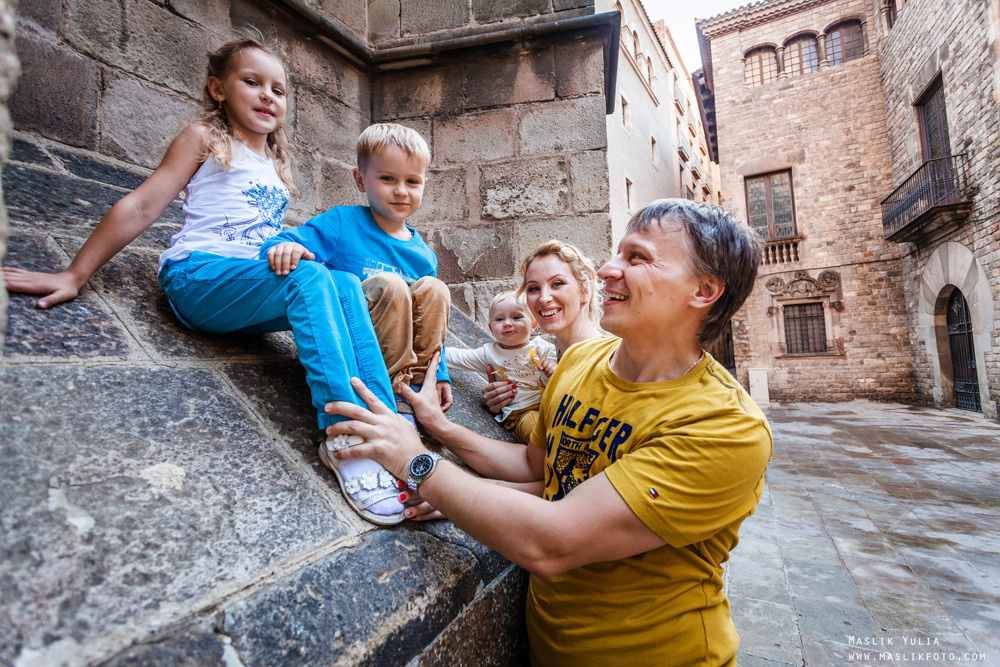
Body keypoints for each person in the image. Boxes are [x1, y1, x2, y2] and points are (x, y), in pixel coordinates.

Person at [324, 199, 773, 665]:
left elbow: (552, 541)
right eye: (617, 253)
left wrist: (417, 462)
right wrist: (440, 429)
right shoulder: (580, 362)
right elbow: (539, 467)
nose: (606, 268)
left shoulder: (724, 426)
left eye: (636, 257)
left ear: (703, 290)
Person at [1, 37, 406, 526]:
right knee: (312, 276)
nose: (267, 95)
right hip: (199, 277)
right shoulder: (205, 139)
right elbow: (142, 206)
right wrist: (74, 273)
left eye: (278, 89)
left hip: (249, 280)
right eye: (251, 82)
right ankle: (345, 440)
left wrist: (290, 245)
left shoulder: (276, 163)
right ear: (218, 88)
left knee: (340, 283)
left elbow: (261, 236)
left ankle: (391, 433)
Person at [259, 122, 453, 430]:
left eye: (412, 181)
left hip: (407, 363)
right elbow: (283, 242)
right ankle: (390, 397)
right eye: (387, 178)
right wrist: (284, 247)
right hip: (358, 350)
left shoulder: (424, 255)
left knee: (435, 289)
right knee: (390, 285)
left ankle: (415, 391)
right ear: (360, 179)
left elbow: (430, 327)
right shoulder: (341, 223)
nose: (401, 190)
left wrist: (440, 374)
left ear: (424, 184)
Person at [481, 240, 603, 416]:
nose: (544, 298)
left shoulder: (608, 360)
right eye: (534, 288)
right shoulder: (548, 357)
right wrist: (511, 404)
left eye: (557, 283)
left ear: (584, 290)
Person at [446, 290, 556, 444]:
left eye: (516, 317)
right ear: (491, 329)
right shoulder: (489, 353)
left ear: (533, 325)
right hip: (522, 412)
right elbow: (458, 357)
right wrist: (430, 351)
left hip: (551, 405)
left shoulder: (543, 348)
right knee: (538, 433)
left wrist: (552, 368)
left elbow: (557, 374)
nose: (507, 323)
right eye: (499, 319)